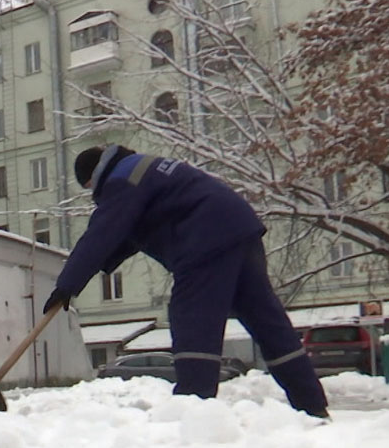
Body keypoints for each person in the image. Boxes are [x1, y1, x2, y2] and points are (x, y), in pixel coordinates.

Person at [44, 145, 330, 418]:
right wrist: (97, 266)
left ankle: (195, 406)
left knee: (191, 315)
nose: (94, 194)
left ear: (93, 176)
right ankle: (311, 404)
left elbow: (103, 232)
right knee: (267, 321)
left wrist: (67, 285)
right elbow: (126, 233)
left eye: (90, 188)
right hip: (239, 229)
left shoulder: (121, 180)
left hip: (204, 239)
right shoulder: (142, 168)